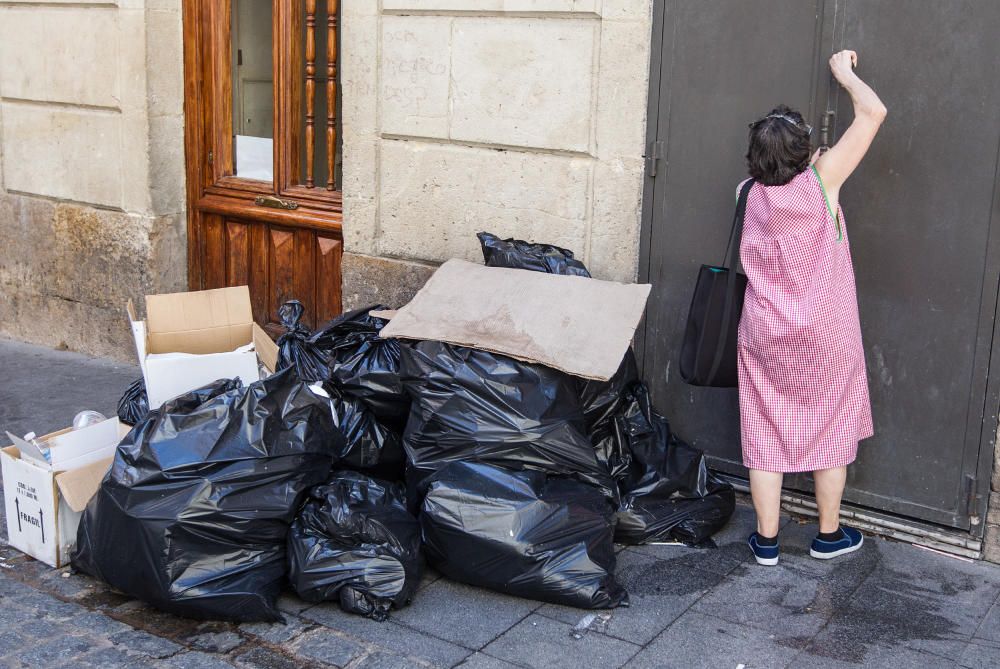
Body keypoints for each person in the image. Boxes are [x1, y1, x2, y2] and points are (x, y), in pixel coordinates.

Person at [739, 50, 887, 565]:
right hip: (825, 333)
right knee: (830, 424)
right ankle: (828, 536)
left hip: (763, 331)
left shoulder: (746, 194)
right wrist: (844, 73)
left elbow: (776, 183)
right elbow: (873, 113)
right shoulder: (822, 182)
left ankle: (766, 542)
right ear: (808, 153)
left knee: (765, 428)